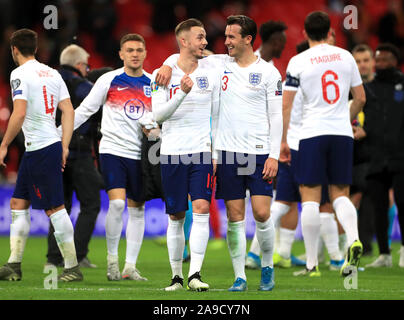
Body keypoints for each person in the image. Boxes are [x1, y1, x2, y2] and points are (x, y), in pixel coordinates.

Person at [282, 11, 366, 277]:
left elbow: (286, 104)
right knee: (340, 193)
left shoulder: (297, 61)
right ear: (330, 30)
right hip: (341, 133)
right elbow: (361, 98)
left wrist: (283, 140)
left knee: (309, 198)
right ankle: (353, 239)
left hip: (311, 134)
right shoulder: (346, 56)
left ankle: (311, 264)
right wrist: (345, 119)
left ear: (304, 33)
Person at [0, 28, 82, 282]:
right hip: (42, 147)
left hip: (41, 148)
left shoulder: (18, 74)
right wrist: (65, 143)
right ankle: (14, 265)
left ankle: (72, 267)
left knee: (55, 208)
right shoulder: (53, 73)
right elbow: (68, 110)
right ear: (35, 49)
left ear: (14, 50)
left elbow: (19, 113)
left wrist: (3, 145)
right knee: (18, 203)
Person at [70, 33, 152, 281]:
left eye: (139, 50)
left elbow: (160, 117)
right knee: (117, 204)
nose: (135, 54)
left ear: (145, 53)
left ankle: (130, 267)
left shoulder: (153, 83)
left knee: (138, 210)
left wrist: (155, 128)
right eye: (130, 50)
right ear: (121, 54)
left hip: (140, 154)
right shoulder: (109, 79)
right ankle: (112, 262)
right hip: (113, 150)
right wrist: (58, 133)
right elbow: (85, 110)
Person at [150, 18, 220, 292]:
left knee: (201, 209)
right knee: (177, 216)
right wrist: (180, 93)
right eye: (200, 37)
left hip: (202, 151)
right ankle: (176, 277)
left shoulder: (212, 68)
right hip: (171, 152)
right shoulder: (162, 73)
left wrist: (216, 150)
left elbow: (216, 113)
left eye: (204, 37)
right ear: (184, 41)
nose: (205, 41)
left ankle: (195, 275)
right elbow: (158, 115)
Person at [45, 44, 103, 269]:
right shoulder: (83, 86)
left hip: (52, 149)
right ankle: (76, 256)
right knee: (91, 203)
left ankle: (53, 257)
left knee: (60, 206)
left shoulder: (48, 82)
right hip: (78, 151)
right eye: (86, 66)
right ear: (80, 65)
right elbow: (96, 111)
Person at [362, 43, 404, 268]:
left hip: (400, 155)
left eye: (385, 59)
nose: (380, 64)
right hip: (376, 156)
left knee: (402, 202)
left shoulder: (403, 85)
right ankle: (384, 254)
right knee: (378, 206)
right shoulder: (368, 88)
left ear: (395, 61)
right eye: (377, 59)